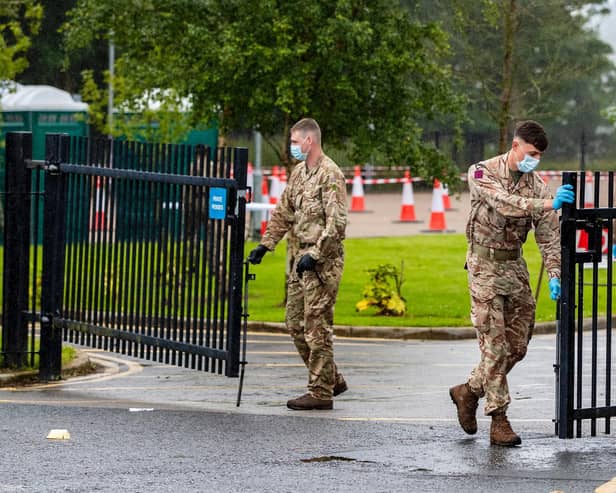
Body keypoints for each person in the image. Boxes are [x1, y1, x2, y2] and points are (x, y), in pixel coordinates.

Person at [449, 120, 575, 446]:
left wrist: (555, 275)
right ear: (515, 146)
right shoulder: (481, 172)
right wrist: (548, 203)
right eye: (531, 153)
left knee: (516, 347)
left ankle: (468, 391)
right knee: (494, 346)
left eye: (540, 156)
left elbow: (548, 235)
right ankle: (499, 419)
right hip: (484, 265)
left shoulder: (537, 184)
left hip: (514, 267)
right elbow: (503, 202)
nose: (535, 160)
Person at [247, 117, 348, 410]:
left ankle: (320, 392)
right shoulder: (299, 173)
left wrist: (315, 255)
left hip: (321, 262)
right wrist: (266, 245)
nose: (292, 147)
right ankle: (333, 379)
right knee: (294, 324)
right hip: (298, 259)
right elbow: (284, 212)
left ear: (309, 141)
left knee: (316, 327)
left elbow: (337, 223)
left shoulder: (330, 174)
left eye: (294, 142)